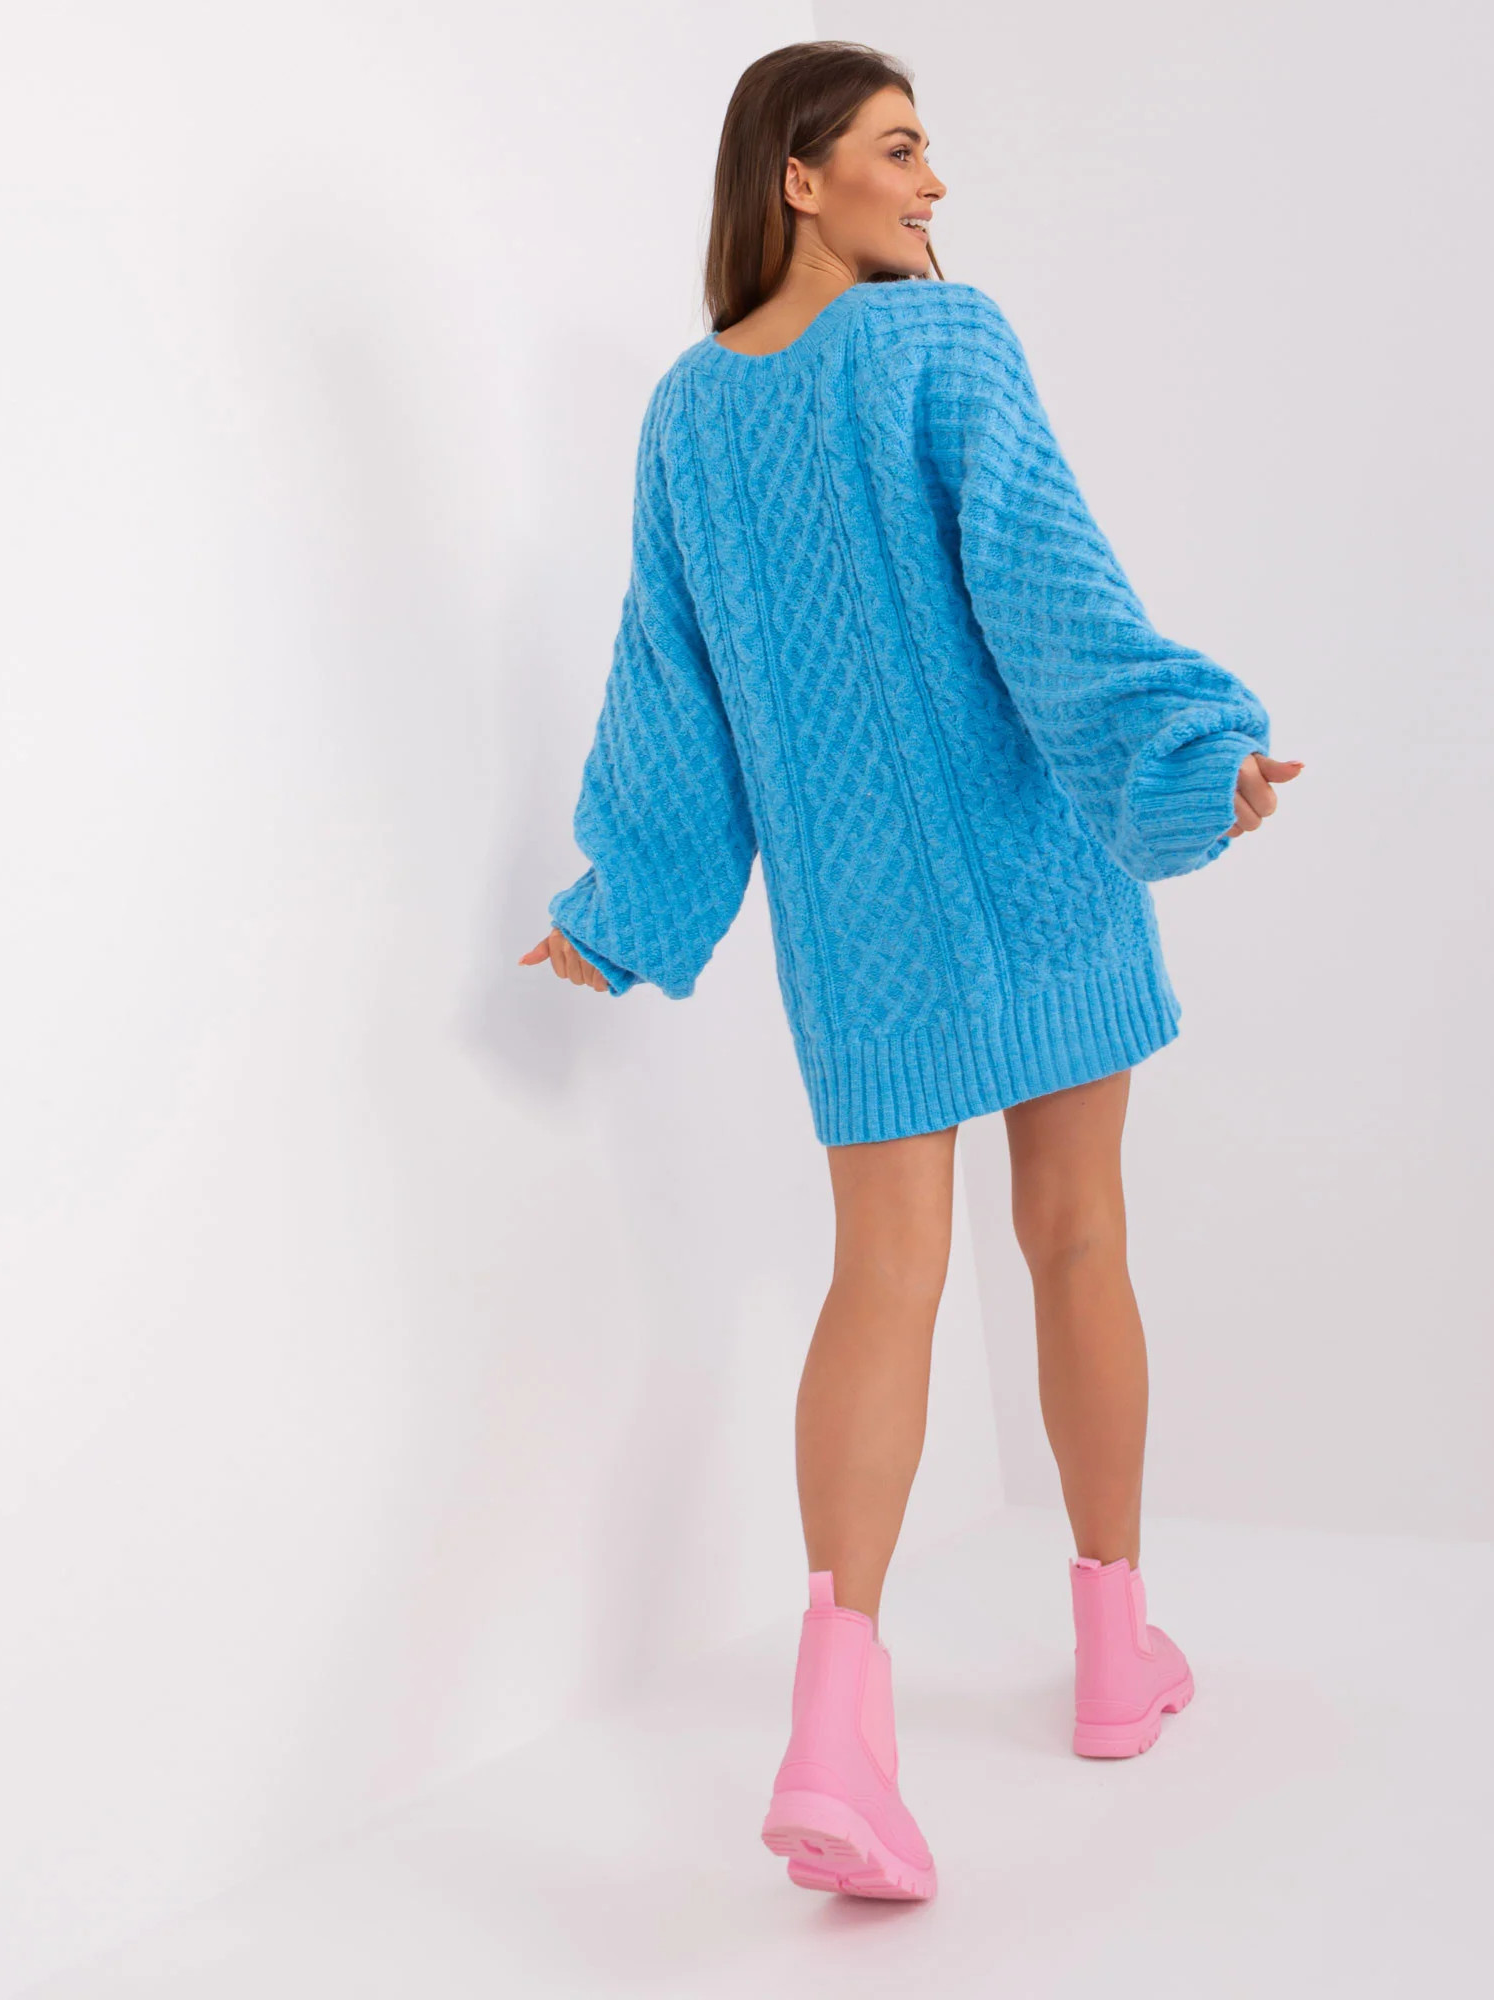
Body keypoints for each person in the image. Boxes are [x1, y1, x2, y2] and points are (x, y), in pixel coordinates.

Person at [519, 41, 1303, 1902]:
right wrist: (1189, 755)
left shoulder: (687, 415)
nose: (934, 182)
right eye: (900, 146)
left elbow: (672, 681)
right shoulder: (945, 344)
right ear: (798, 176)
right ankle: (1114, 1653)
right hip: (1036, 864)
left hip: (857, 917)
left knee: (883, 1278)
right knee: (1079, 1239)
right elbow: (1051, 589)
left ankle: (832, 1731)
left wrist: (625, 902)